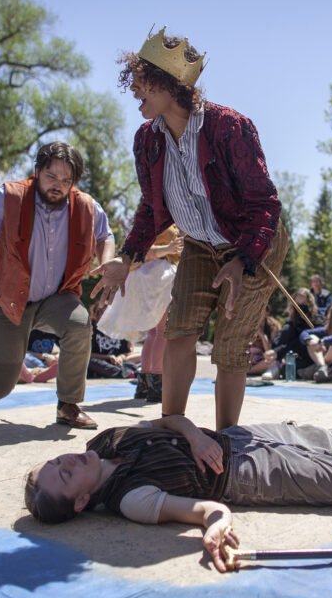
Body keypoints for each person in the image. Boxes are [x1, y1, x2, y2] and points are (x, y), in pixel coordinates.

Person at [92, 28, 288, 430]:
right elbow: (152, 208)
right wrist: (126, 259)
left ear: (169, 83)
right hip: (198, 244)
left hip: (252, 246)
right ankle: (171, 427)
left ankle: (227, 439)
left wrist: (244, 259)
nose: (133, 90)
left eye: (141, 81)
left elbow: (265, 204)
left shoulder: (229, 127)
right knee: (178, 332)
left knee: (230, 345)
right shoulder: (146, 140)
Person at [24, 407, 332, 572]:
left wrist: (193, 435)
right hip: (244, 475)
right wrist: (216, 526)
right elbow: (207, 510)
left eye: (57, 461)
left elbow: (171, 421)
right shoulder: (131, 500)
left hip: (233, 438)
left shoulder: (105, 440)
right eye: (65, 476)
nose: (67, 461)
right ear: (81, 501)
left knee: (310, 437)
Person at [0, 141, 115, 425]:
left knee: (79, 325)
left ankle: (68, 405)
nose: (58, 185)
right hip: (5, 299)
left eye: (66, 180)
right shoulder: (8, 197)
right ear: (37, 171)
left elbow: (105, 235)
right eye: (51, 176)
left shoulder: (86, 207)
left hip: (55, 298)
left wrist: (108, 262)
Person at [96, 226, 183, 403]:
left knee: (154, 333)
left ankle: (144, 383)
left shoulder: (155, 222)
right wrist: (168, 248)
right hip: (158, 277)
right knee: (161, 332)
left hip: (148, 276)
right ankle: (157, 384)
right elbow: (143, 252)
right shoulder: (158, 222)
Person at [263, 288, 318, 381]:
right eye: (297, 304)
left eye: (303, 303)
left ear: (310, 304)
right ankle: (275, 363)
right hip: (292, 354)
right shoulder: (292, 321)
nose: (300, 307)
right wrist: (275, 351)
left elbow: (299, 341)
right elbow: (281, 339)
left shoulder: (317, 321)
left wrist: (278, 352)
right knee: (287, 330)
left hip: (309, 355)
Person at [87, 301, 139, 380]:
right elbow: (88, 354)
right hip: (101, 361)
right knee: (92, 362)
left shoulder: (118, 330)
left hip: (116, 363)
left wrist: (120, 358)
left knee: (133, 362)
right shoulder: (91, 331)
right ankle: (125, 373)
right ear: (96, 315)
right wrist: (108, 357)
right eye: (102, 313)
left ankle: (124, 372)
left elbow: (126, 352)